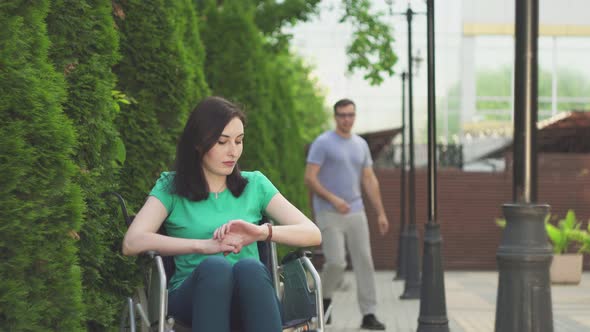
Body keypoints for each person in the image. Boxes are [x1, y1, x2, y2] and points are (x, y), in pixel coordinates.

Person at [123, 96, 322, 332]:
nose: (233, 152)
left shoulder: (255, 184)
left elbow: (313, 233)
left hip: (250, 297)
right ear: (198, 143)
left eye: (239, 141)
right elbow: (132, 242)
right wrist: (203, 246)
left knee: (251, 267)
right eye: (222, 142)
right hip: (192, 297)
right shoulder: (171, 186)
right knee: (215, 267)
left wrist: (260, 232)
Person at [304, 98, 390, 330]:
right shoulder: (323, 143)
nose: (347, 119)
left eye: (351, 115)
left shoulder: (360, 145)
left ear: (355, 116)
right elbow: (310, 177)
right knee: (337, 262)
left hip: (357, 211)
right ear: (335, 117)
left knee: (365, 261)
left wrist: (380, 213)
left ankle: (369, 314)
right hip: (328, 212)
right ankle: (324, 298)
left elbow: (369, 179)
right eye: (342, 115)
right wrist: (333, 199)